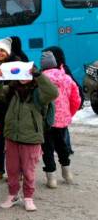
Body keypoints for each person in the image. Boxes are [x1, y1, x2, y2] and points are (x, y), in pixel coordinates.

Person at [0, 66, 58, 211]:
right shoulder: (11, 91)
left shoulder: (39, 93)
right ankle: (13, 195)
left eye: (27, 73)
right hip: (11, 137)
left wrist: (38, 75)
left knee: (28, 170)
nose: (23, 77)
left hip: (31, 138)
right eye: (21, 73)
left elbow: (53, 92)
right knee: (12, 170)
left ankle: (28, 197)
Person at [40, 50, 81, 188]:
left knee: (47, 148)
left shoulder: (40, 79)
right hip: (62, 120)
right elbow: (76, 99)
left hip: (45, 120)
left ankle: (51, 178)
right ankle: (67, 172)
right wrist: (69, 113)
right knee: (62, 145)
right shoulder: (67, 78)